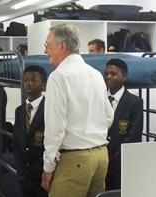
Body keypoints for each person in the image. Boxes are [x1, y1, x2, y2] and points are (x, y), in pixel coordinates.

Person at [39, 24, 112, 197]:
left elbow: (55, 127)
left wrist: (48, 167)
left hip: (75, 160)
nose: (45, 51)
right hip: (101, 156)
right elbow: (109, 115)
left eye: (48, 45)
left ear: (62, 46)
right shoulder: (95, 74)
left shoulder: (58, 76)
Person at [102, 58, 143, 190]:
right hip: (99, 161)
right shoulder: (98, 99)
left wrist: (114, 161)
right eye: (106, 73)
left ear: (124, 77)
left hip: (121, 164)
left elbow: (133, 136)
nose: (108, 77)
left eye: (113, 74)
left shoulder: (134, 102)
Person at [12, 66, 48, 197]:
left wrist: (33, 173)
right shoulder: (20, 111)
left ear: (43, 84)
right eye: (26, 80)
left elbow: (51, 146)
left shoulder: (49, 109)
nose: (29, 83)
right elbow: (15, 143)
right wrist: (21, 170)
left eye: (34, 80)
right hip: (24, 174)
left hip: (41, 172)